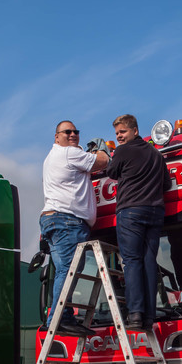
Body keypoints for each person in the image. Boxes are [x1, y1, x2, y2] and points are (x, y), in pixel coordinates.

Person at [40, 120, 109, 336]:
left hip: (54, 219)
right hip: (67, 220)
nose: (72, 135)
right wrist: (101, 148)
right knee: (68, 270)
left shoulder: (53, 157)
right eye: (67, 132)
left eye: (75, 132)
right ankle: (58, 319)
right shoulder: (68, 154)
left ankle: (64, 317)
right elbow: (101, 162)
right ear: (56, 136)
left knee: (64, 271)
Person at [106, 114, 171, 330]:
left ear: (135, 130)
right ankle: (150, 316)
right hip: (155, 213)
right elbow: (167, 184)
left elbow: (111, 172)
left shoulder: (123, 151)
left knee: (132, 261)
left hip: (131, 211)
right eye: (117, 134)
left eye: (122, 132)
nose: (119, 137)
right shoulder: (156, 155)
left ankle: (135, 314)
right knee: (149, 261)